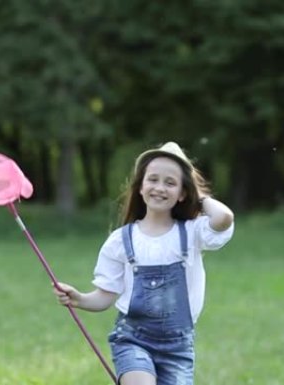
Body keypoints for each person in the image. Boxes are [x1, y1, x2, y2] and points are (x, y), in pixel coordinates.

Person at [53, 141, 235, 385]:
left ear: (183, 193)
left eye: (170, 183)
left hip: (178, 348)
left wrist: (197, 196)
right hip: (133, 338)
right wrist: (80, 299)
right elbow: (106, 296)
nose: (160, 188)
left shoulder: (192, 234)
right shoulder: (121, 240)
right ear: (140, 186)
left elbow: (224, 218)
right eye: (153, 179)